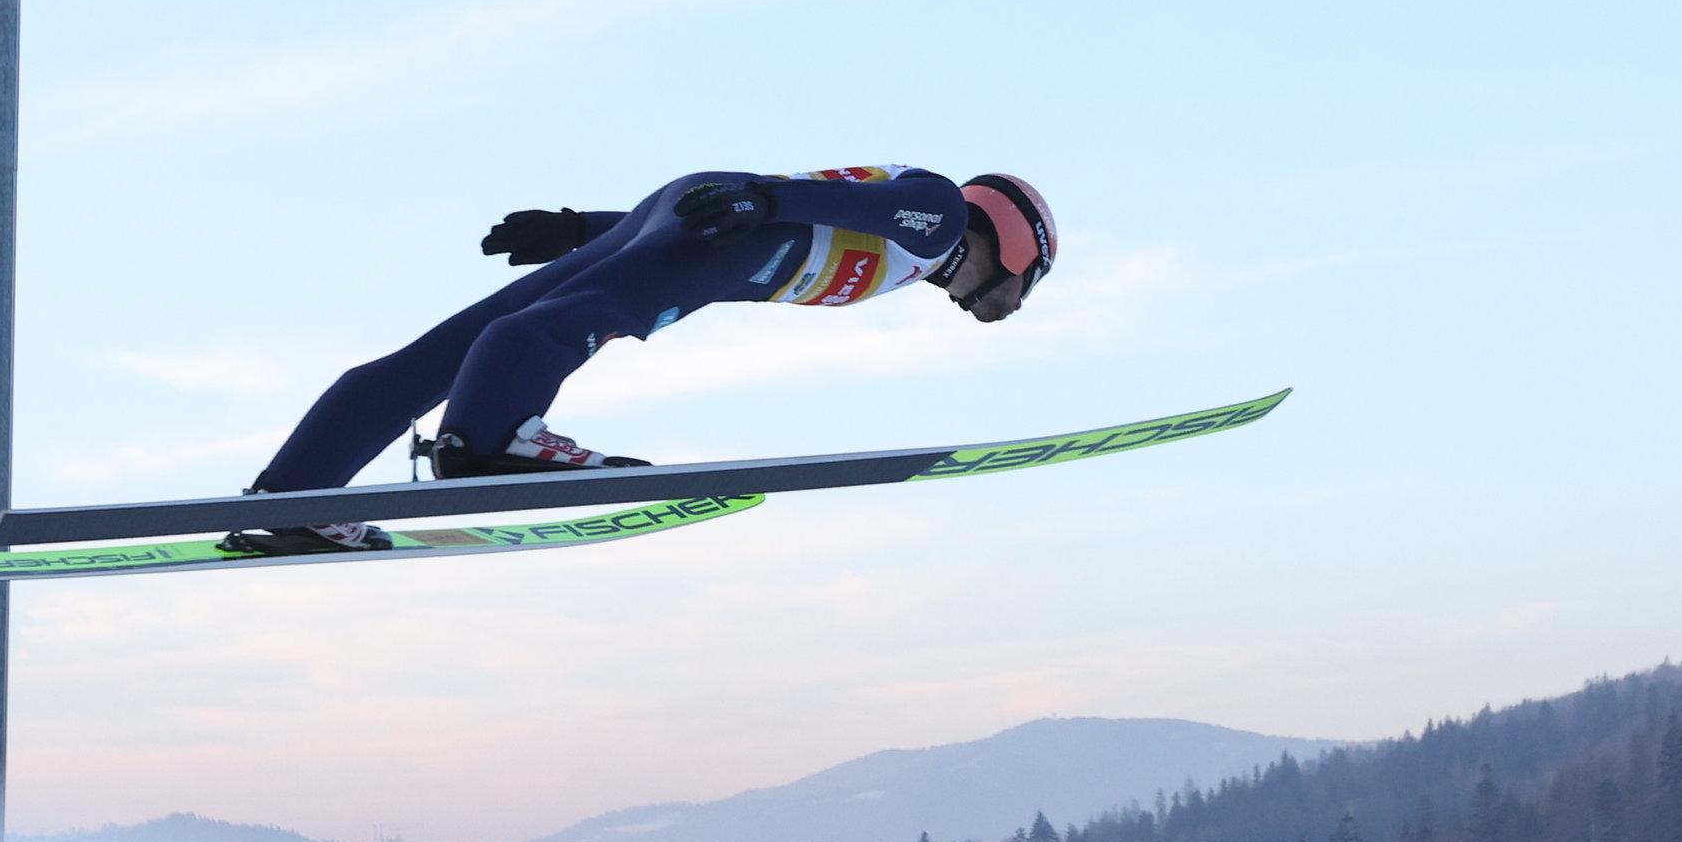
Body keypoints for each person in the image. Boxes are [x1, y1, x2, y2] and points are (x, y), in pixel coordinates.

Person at [225, 167, 1058, 556]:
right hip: (738, 231)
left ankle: (294, 494)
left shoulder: (920, 249)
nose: (1008, 304)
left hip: (702, 216)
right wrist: (763, 201)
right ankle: (487, 441)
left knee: (442, 353)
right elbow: (852, 202)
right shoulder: (940, 217)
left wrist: (581, 228)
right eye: (1027, 284)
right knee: (581, 320)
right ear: (1020, 245)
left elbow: (801, 207)